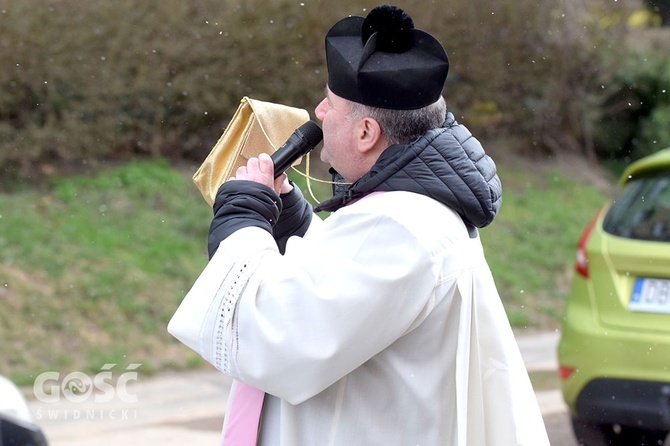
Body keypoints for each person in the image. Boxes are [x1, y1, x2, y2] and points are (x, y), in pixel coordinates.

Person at [169, 5, 550, 445]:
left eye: (330, 104)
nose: (318, 111)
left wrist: (242, 215)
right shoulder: (410, 211)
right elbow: (347, 297)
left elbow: (276, 336)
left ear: (366, 133)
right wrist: (291, 220)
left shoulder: (400, 227)